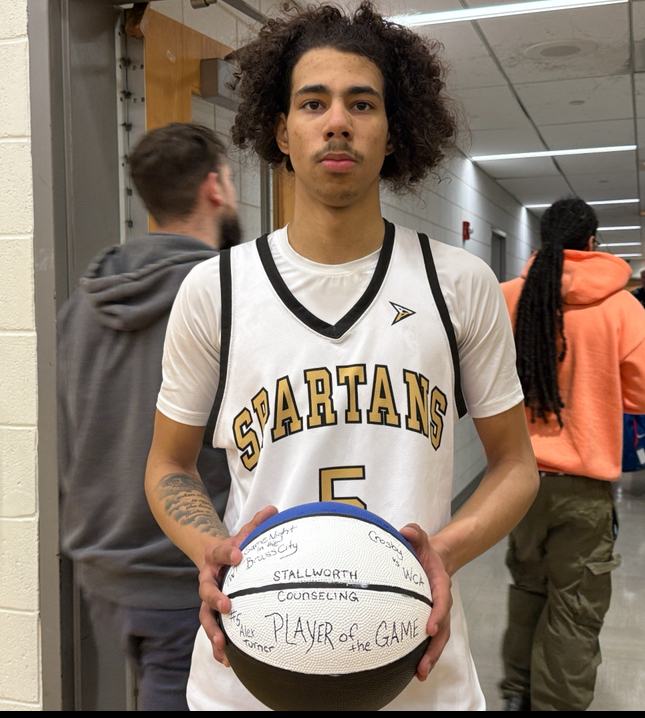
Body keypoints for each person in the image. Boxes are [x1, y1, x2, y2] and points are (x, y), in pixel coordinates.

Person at [145, 3, 539, 711]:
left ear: (392, 131)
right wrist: (210, 547)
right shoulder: (215, 290)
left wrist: (445, 551)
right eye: (313, 103)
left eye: (361, 103)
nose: (337, 122)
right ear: (280, 130)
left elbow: (515, 463)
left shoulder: (459, 283)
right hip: (250, 669)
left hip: (418, 670)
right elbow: (168, 465)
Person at [58, 122, 239, 711]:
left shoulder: (81, 305)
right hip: (187, 573)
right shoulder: (227, 297)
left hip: (103, 569)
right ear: (215, 187)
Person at [499, 198, 645, 712]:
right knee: (575, 607)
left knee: (528, 590)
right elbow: (641, 393)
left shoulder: (509, 297)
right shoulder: (622, 308)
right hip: (583, 489)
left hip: (517, 485)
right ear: (592, 243)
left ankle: (517, 695)